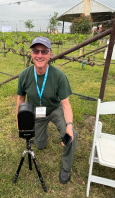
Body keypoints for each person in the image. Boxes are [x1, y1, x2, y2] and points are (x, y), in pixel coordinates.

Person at [16, 37, 78, 184]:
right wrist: (19, 120)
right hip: (36, 112)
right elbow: (20, 100)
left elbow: (66, 104)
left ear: (50, 54)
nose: (40, 55)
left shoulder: (59, 76)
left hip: (55, 109)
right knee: (40, 145)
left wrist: (69, 125)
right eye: (36, 51)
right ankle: (42, 135)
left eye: (44, 51)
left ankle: (66, 168)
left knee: (71, 135)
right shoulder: (24, 75)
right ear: (31, 53)